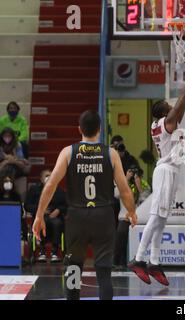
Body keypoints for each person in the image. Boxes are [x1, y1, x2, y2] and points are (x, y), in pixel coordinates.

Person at [32, 110, 137, 300]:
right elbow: (124, 189)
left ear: (79, 129)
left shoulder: (68, 152)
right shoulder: (111, 154)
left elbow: (50, 186)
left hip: (77, 217)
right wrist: (132, 211)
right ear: (100, 129)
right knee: (104, 273)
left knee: (74, 269)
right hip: (103, 216)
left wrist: (39, 215)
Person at [128, 54, 185, 286]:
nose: (175, 108)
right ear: (165, 113)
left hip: (169, 171)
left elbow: (183, 99)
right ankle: (138, 259)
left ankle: (153, 261)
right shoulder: (166, 124)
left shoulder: (162, 124)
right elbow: (184, 95)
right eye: (170, 108)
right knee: (155, 218)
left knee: (161, 220)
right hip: (165, 171)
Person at [25, 170, 67, 263]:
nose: (49, 177)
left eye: (51, 175)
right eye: (47, 175)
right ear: (41, 178)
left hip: (54, 216)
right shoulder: (34, 190)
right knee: (41, 223)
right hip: (40, 216)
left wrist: (58, 210)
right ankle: (41, 251)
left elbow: (65, 205)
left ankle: (55, 251)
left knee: (57, 223)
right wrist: (40, 210)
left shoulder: (59, 190)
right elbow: (27, 206)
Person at [113, 165, 150, 270]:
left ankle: (138, 261)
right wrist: (126, 179)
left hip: (139, 218)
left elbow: (146, 200)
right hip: (124, 217)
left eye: (135, 173)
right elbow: (115, 194)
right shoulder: (123, 183)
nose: (133, 174)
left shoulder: (144, 185)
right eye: (131, 172)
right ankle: (117, 262)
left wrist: (139, 187)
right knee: (121, 234)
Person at [0, 127, 31, 201]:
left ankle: (5, 190)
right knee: (7, 168)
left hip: (16, 166)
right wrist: (6, 161)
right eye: (5, 136)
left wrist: (11, 160)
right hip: (3, 165)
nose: (7, 138)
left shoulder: (17, 145)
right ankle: (9, 188)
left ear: (12, 137)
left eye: (9, 136)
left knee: (10, 168)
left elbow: (21, 160)